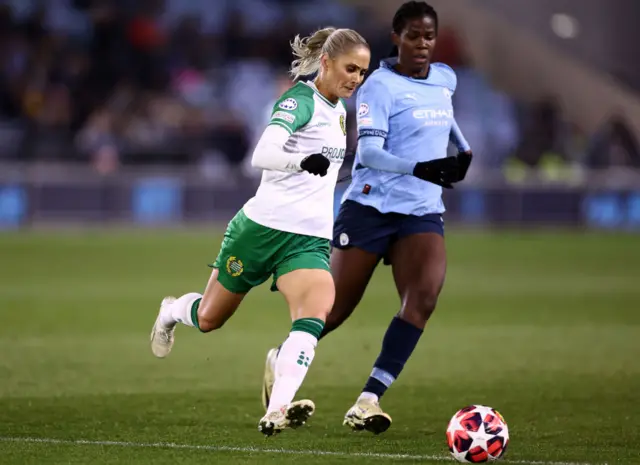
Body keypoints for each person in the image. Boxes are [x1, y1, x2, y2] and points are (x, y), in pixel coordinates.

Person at [262, 1, 473, 435]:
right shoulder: (377, 86)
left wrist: (464, 150)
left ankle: (367, 399)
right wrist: (423, 168)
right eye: (412, 35)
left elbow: (446, 118)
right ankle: (282, 362)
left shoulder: (445, 78)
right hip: (371, 208)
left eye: (429, 36)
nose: (422, 43)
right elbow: (371, 152)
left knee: (423, 301)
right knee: (332, 311)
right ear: (396, 38)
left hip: (421, 210)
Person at [150, 27, 371, 437]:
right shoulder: (298, 100)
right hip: (259, 230)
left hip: (307, 240)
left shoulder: (340, 110)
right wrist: (302, 160)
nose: (356, 78)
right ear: (326, 62)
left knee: (314, 315)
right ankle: (170, 311)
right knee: (210, 318)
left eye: (362, 72)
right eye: (350, 68)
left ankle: (278, 409)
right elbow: (262, 154)